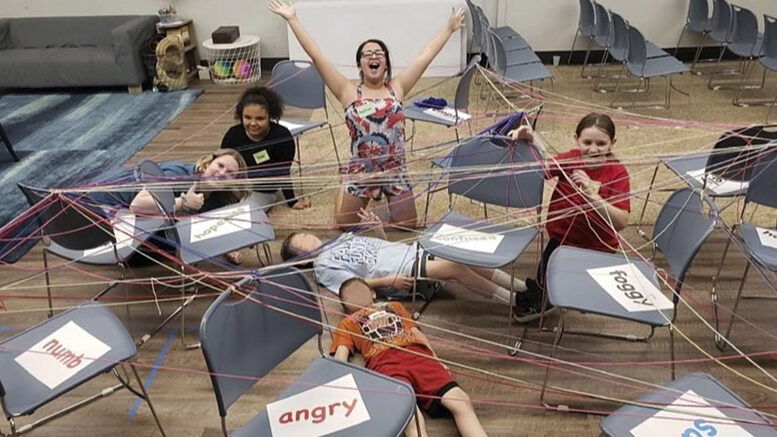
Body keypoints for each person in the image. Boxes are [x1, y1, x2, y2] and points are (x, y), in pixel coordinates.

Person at [269, 0, 466, 230]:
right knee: (345, 225)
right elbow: (317, 55)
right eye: (367, 54)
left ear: (385, 64)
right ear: (360, 65)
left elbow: (425, 57)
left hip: (395, 170)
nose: (374, 56)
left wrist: (449, 29)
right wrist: (293, 19)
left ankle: (380, 196)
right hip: (362, 171)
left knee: (407, 225)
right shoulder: (348, 91)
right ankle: (346, 182)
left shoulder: (397, 87)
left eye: (379, 53)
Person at [507, 112, 631, 321]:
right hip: (562, 239)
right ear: (576, 140)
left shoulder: (617, 173)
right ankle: (540, 293)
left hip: (597, 248)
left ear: (613, 143)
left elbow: (621, 222)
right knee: (544, 277)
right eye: (587, 142)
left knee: (554, 284)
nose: (593, 149)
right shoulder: (570, 159)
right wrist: (530, 143)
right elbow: (540, 170)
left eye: (601, 143)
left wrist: (591, 196)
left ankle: (546, 299)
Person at [331, 278, 489, 437]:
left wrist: (437, 360)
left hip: (418, 355)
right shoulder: (346, 323)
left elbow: (417, 333)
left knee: (461, 401)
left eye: (360, 290)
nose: (357, 296)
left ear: (373, 294)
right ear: (346, 307)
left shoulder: (394, 306)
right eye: (350, 296)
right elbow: (341, 356)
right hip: (384, 363)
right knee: (411, 418)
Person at [279, 209, 526, 304]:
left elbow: (381, 249)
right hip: (399, 274)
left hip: (407, 253)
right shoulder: (323, 267)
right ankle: (515, 302)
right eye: (302, 243)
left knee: (463, 255)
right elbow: (352, 287)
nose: (309, 238)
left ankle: (522, 287)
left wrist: (378, 229)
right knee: (455, 267)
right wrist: (390, 282)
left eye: (304, 235)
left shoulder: (341, 239)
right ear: (303, 258)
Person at [84, 149, 249, 264]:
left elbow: (211, 222)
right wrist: (182, 202)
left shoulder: (218, 196)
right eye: (220, 165)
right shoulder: (178, 175)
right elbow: (138, 205)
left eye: (230, 173)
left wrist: (228, 248)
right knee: (167, 245)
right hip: (100, 201)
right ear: (207, 164)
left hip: (129, 213)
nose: (222, 173)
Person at [221, 86, 311, 210]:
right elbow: (220, 165)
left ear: (270, 116)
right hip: (236, 186)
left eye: (260, 118)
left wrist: (292, 201)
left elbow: (283, 173)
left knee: (244, 212)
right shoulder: (232, 135)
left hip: (263, 191)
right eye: (247, 117)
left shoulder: (282, 137)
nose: (253, 123)